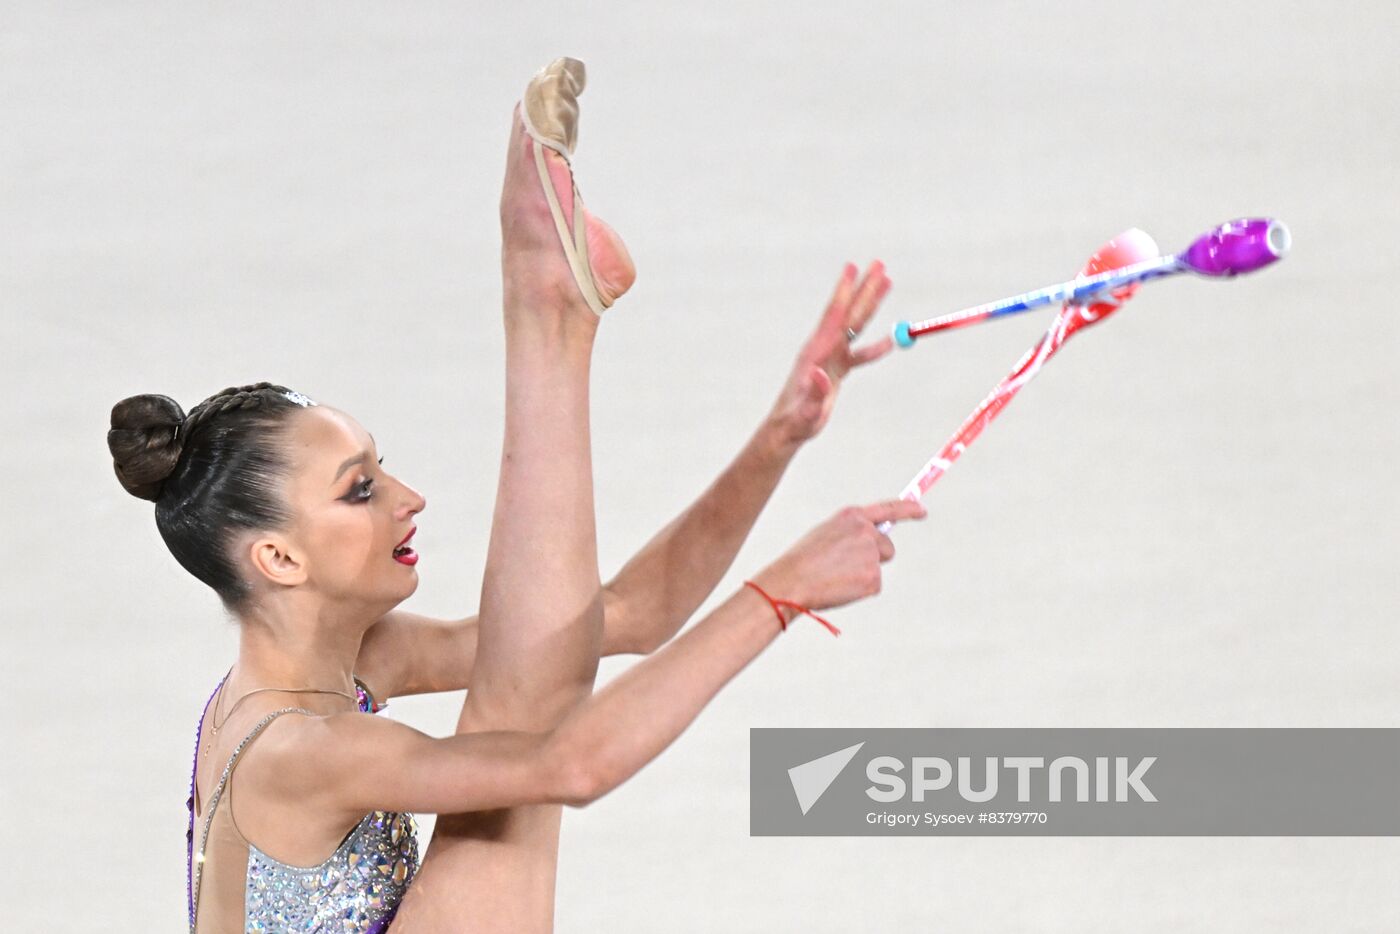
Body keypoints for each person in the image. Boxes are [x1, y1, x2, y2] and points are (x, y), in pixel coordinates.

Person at [106, 57, 923, 933]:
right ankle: (544, 313)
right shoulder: (307, 750)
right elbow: (574, 768)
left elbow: (628, 615)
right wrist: (780, 594)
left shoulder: (346, 671)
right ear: (278, 556)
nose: (409, 499)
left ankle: (548, 308)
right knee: (519, 746)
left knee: (530, 680)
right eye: (361, 491)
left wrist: (779, 439)